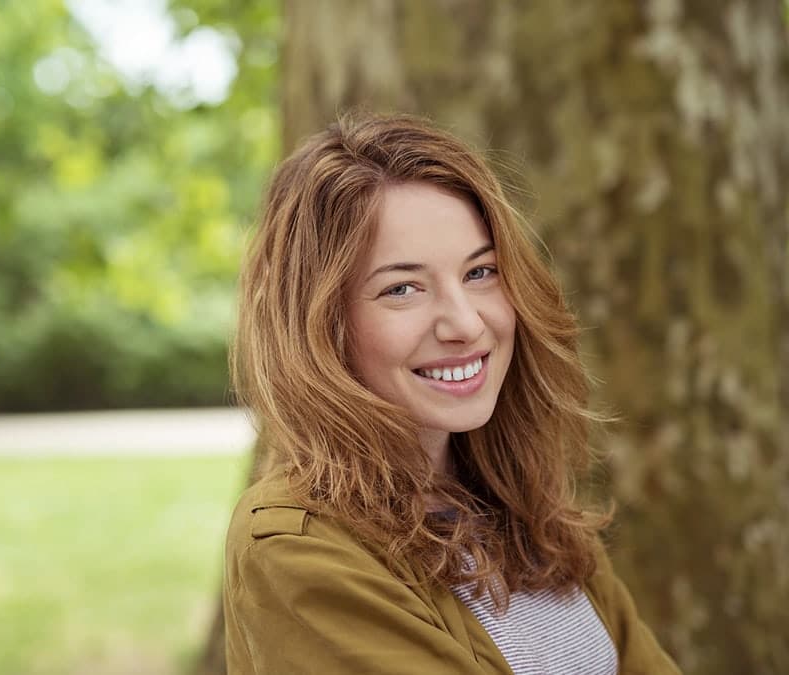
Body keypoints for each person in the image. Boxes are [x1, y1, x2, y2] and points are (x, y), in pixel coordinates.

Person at [223, 113, 680, 674]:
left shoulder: (517, 501)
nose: (464, 323)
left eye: (480, 272)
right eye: (402, 288)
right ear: (321, 326)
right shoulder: (296, 547)